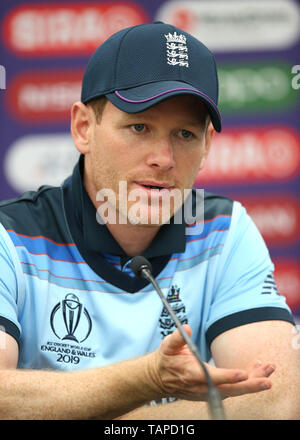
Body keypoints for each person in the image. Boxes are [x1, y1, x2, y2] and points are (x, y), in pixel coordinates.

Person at [0, 22, 298, 420]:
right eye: (139, 127)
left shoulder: (225, 231)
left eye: (185, 135)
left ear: (207, 145)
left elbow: (276, 401)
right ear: (83, 128)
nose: (164, 157)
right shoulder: (11, 237)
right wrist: (147, 379)